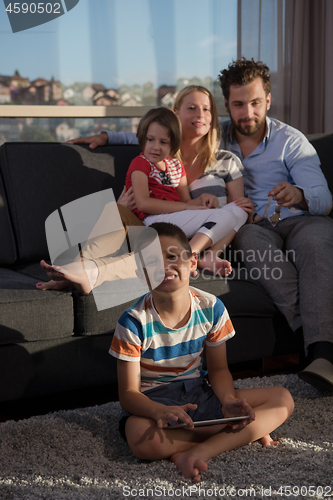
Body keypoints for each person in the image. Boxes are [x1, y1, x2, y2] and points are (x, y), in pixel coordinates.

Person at [109, 222, 294, 482]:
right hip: (153, 402)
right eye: (152, 262)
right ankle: (241, 433)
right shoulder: (132, 322)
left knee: (283, 398)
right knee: (141, 440)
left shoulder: (212, 308)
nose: (163, 266)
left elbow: (218, 370)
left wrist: (228, 400)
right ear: (142, 274)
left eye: (172, 256)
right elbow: (128, 395)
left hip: (199, 393)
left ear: (192, 262)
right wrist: (158, 412)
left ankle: (200, 450)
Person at [218, 58, 333, 391]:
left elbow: (324, 199)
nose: (248, 112)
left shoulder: (291, 141)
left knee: (317, 242)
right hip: (254, 227)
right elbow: (167, 134)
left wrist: (298, 193)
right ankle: (318, 346)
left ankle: (320, 352)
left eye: (255, 103)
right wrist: (112, 135)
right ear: (227, 104)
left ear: (267, 100)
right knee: (245, 239)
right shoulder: (216, 140)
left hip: (300, 221)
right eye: (238, 104)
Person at [124, 106, 248, 275]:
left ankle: (210, 256)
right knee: (225, 216)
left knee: (239, 210)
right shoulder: (140, 163)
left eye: (163, 142)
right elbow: (143, 203)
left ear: (173, 144)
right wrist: (188, 207)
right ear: (142, 139)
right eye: (150, 140)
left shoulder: (175, 165)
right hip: (154, 222)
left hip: (176, 219)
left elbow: (185, 202)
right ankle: (186, 257)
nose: (155, 147)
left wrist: (202, 200)